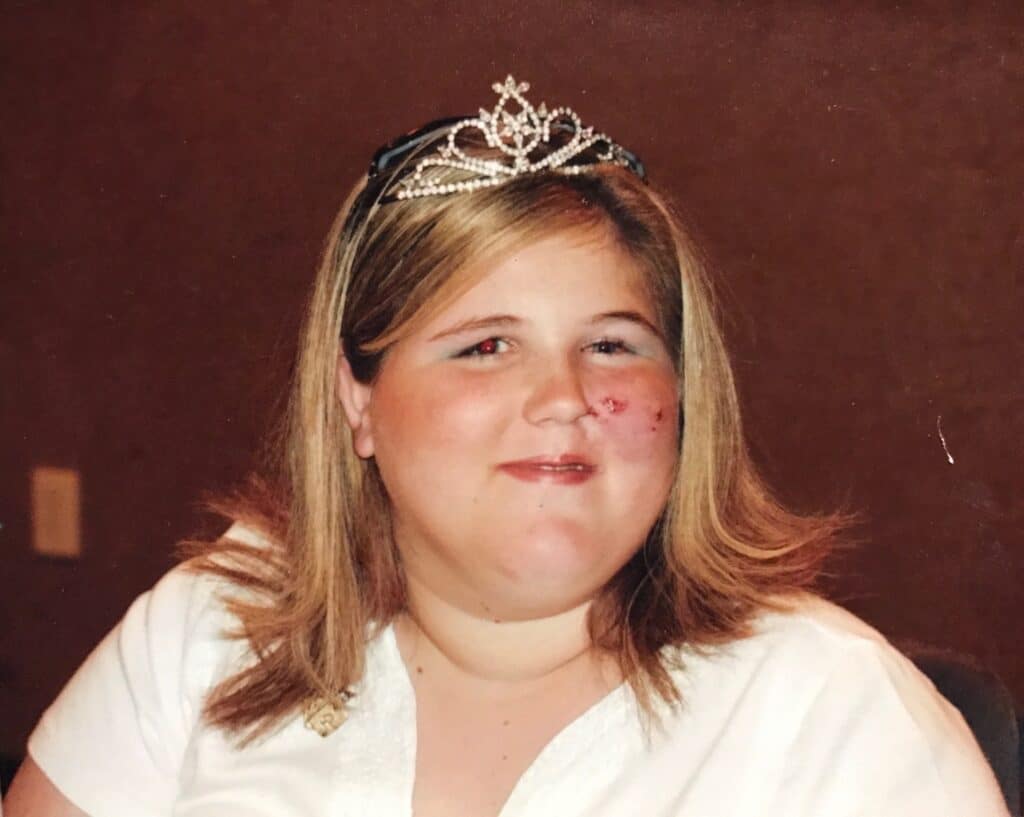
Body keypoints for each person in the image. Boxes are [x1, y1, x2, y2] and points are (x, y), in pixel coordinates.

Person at [4, 75, 1009, 816]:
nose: (564, 397)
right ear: (358, 400)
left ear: (682, 397)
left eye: (610, 345)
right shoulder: (207, 631)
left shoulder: (840, 711)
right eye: (485, 346)